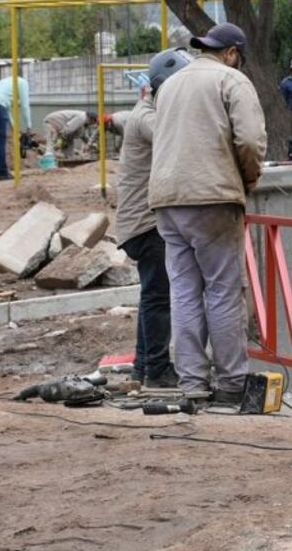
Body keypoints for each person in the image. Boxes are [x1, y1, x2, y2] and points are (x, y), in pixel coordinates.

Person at [150, 23, 267, 404]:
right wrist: (248, 178)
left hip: (167, 199)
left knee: (184, 291)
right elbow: (249, 140)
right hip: (212, 197)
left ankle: (192, 385)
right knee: (223, 290)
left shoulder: (170, 85)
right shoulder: (231, 80)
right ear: (231, 53)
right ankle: (232, 384)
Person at [116, 49, 193, 389]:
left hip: (141, 221)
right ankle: (158, 371)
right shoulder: (148, 118)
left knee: (153, 294)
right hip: (146, 224)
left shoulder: (147, 111)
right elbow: (177, 139)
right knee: (159, 297)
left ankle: (144, 365)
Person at [0, 74, 31, 181]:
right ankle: (3, 173)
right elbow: (25, 106)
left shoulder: (7, 84)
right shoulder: (23, 83)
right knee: (0, 142)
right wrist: (29, 127)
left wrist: (16, 130)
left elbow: (7, 112)